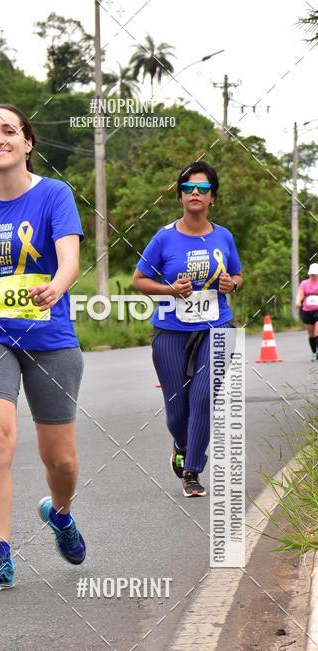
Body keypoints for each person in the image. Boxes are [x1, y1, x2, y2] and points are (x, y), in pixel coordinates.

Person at [0, 104, 86, 591]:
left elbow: (69, 255)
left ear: (28, 142)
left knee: (61, 460)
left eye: (9, 131)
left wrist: (56, 285)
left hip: (52, 340)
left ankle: (62, 514)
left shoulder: (55, 194)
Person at [132, 161, 243, 498]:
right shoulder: (164, 238)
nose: (196, 193)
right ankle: (182, 444)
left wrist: (231, 284)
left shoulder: (224, 236)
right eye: (189, 188)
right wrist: (170, 290)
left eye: (204, 189)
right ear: (180, 196)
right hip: (171, 328)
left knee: (204, 396)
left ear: (212, 198)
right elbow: (139, 280)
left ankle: (193, 470)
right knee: (178, 406)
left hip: (217, 326)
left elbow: (238, 274)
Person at [295, 262, 318, 360]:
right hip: (307, 311)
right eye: (311, 274)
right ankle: (314, 352)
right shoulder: (304, 283)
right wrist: (298, 301)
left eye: (314, 274)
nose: (312, 276)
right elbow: (300, 294)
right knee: (311, 334)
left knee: (317, 332)